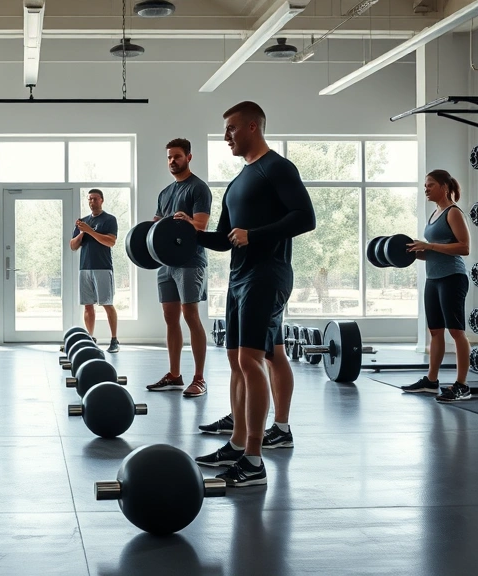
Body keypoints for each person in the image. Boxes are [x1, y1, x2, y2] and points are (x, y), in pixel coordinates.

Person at [193, 101, 316, 487]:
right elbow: (225, 240)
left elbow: (305, 217)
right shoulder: (237, 182)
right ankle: (237, 442)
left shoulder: (277, 167)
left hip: (268, 274)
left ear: (252, 127)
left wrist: (256, 235)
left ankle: (254, 460)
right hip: (239, 278)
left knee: (250, 361)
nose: (226, 136)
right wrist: (184, 232)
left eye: (230, 128)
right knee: (235, 360)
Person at [146, 138, 212, 398]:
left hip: (190, 260)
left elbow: (202, 225)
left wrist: (188, 221)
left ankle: (199, 378)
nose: (172, 161)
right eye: (169, 157)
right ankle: (174, 375)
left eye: (177, 156)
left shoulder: (198, 189)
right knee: (170, 318)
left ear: (189, 157)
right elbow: (157, 224)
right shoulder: (165, 192)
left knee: (190, 316)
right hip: (166, 264)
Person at [403, 170, 471, 402]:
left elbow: (464, 247)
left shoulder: (453, 212)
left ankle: (462, 385)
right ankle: (431, 381)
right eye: (425, 185)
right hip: (433, 279)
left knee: (456, 331)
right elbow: (432, 252)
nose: (426, 189)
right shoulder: (434, 214)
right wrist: (413, 253)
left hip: (452, 277)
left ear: (444, 186)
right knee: (435, 332)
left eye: (430, 185)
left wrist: (429, 246)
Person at [69, 189, 120, 352]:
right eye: (89, 199)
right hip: (85, 268)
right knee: (88, 306)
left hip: (103, 268)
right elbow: (73, 246)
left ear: (102, 200)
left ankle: (114, 340)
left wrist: (90, 231)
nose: (92, 202)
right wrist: (83, 231)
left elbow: (110, 242)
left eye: (95, 199)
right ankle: (90, 338)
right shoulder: (82, 222)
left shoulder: (109, 219)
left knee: (107, 304)